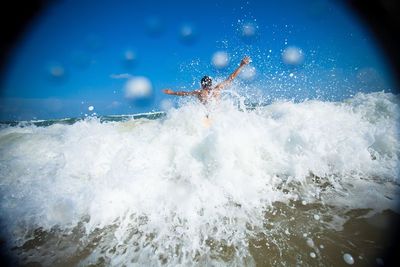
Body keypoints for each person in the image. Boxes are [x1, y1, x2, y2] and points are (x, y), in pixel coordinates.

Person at [162, 56, 251, 104]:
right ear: (211, 83)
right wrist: (241, 65)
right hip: (219, 114)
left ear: (202, 84)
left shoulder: (199, 92)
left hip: (207, 115)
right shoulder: (217, 89)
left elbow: (184, 93)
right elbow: (231, 77)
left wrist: (171, 92)